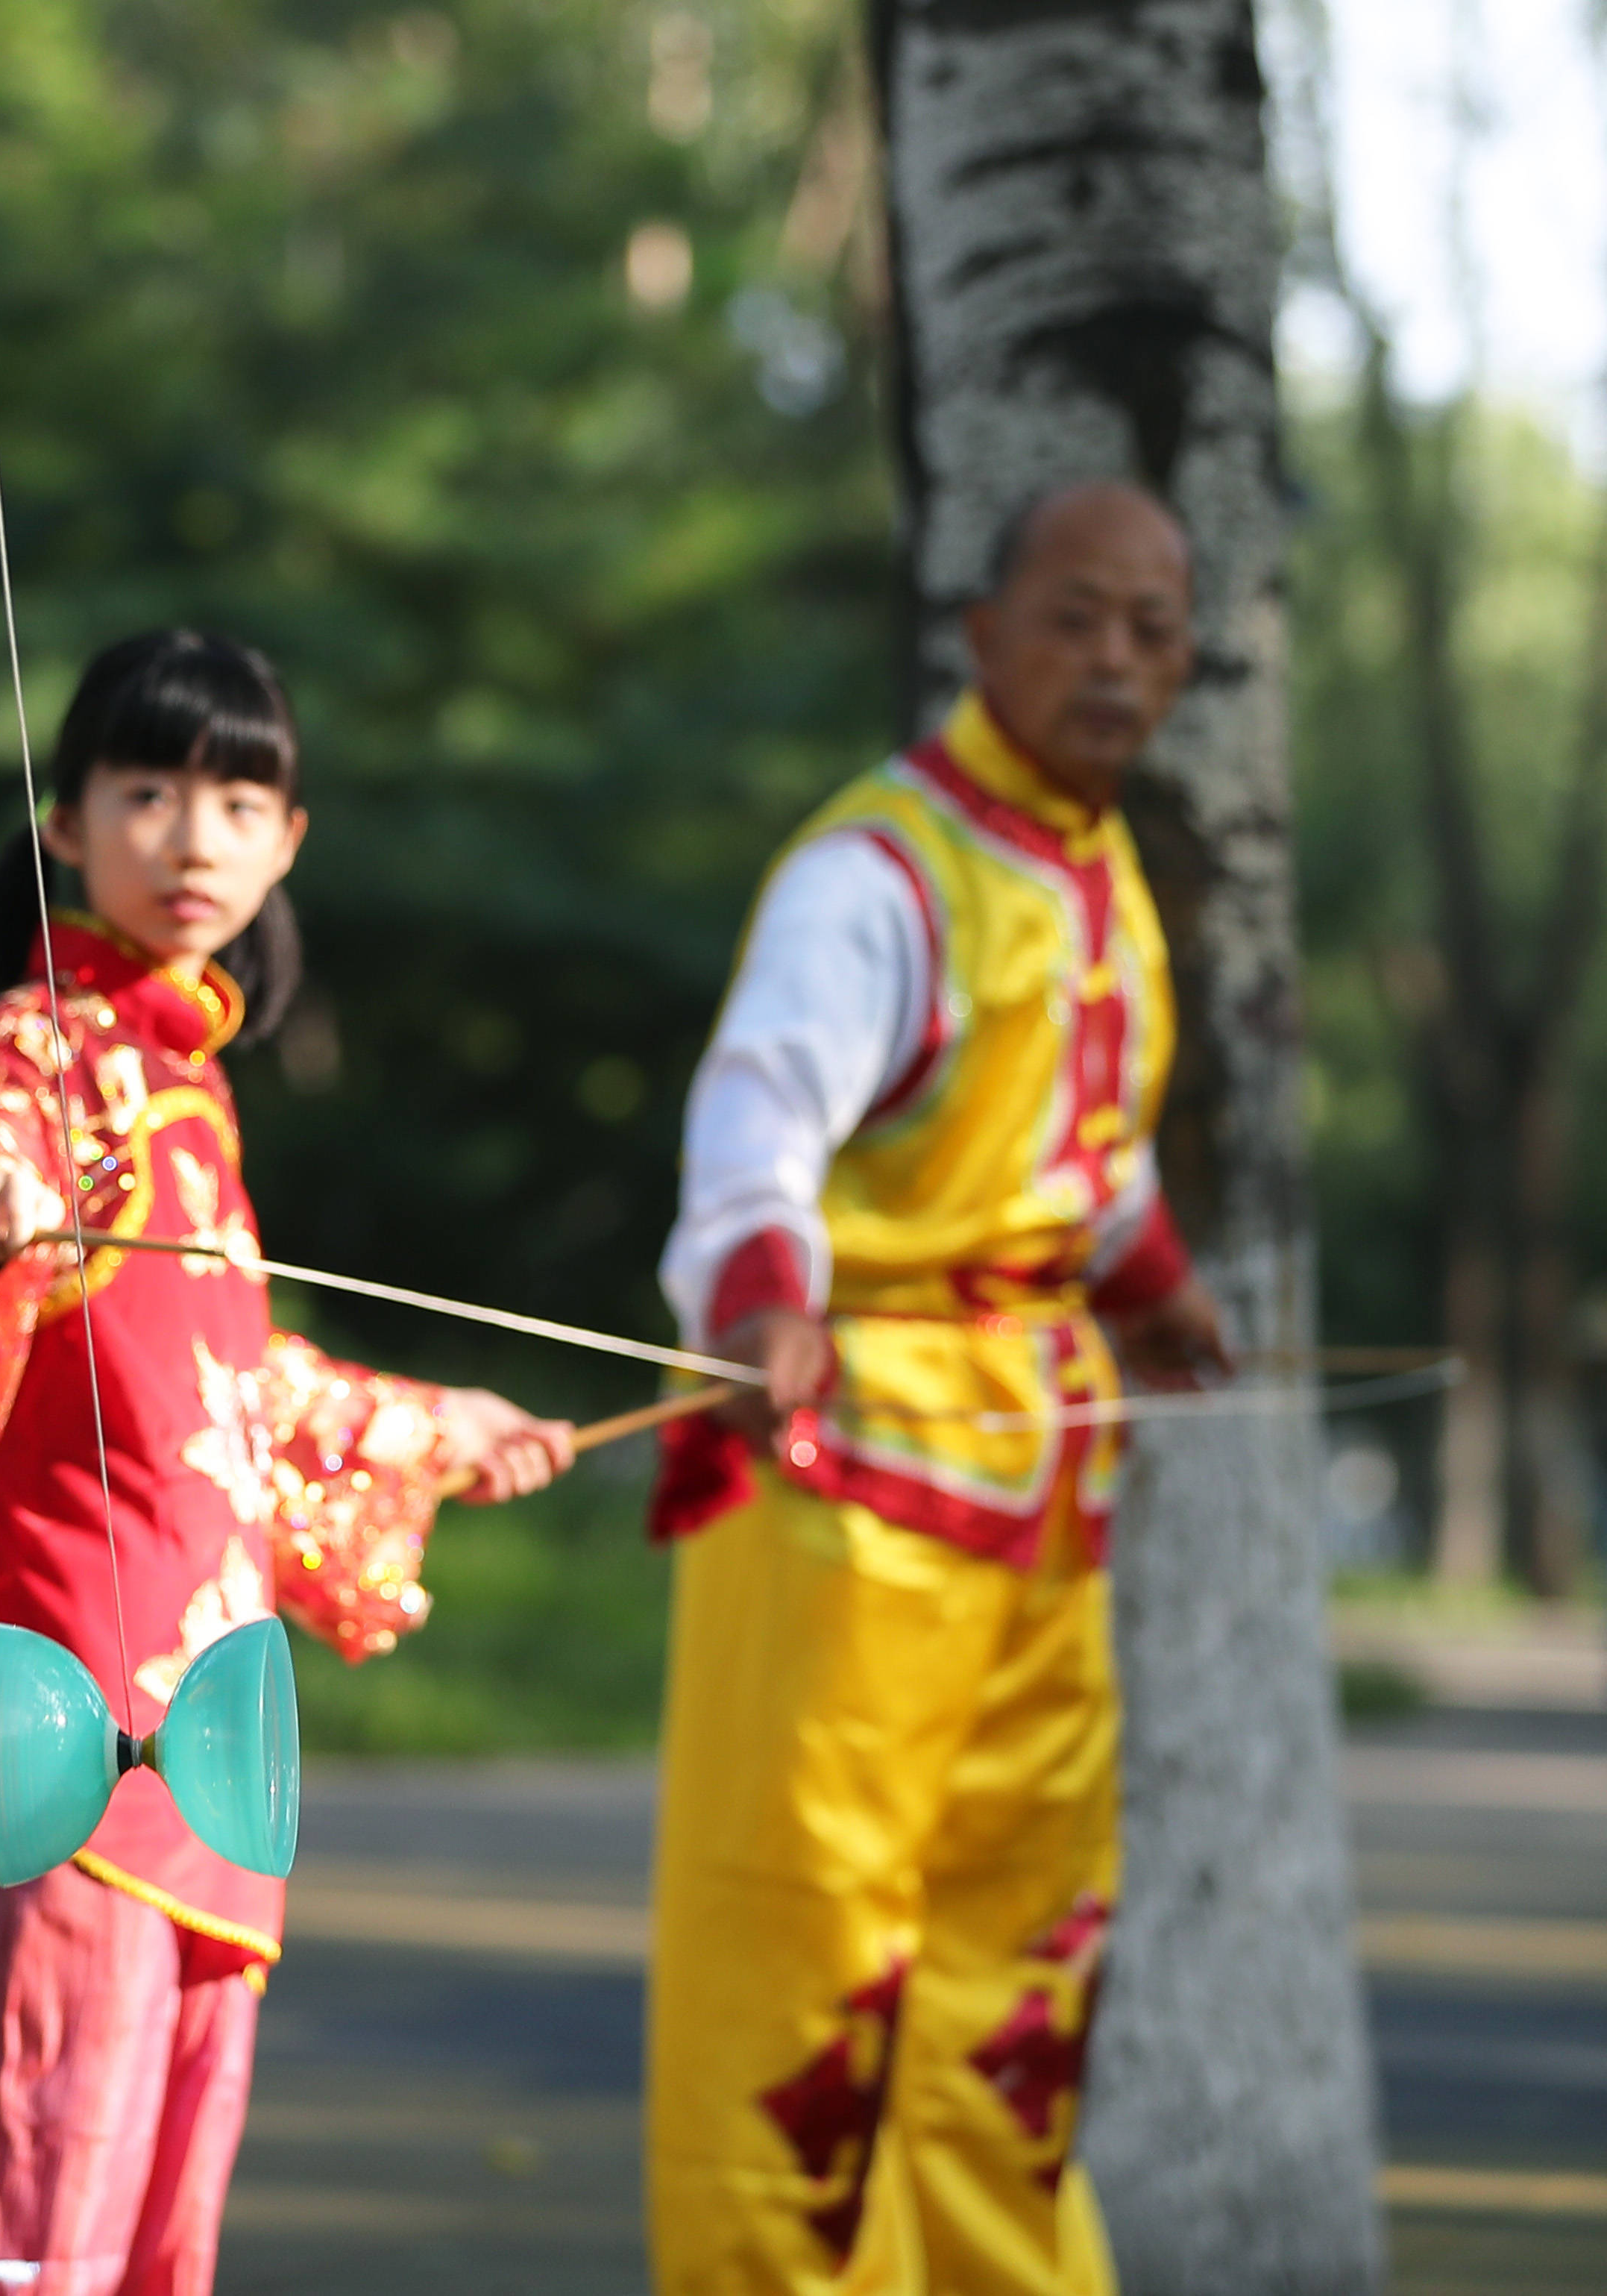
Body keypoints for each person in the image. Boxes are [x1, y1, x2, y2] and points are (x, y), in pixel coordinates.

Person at [0, 630, 576, 2295]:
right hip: (74, 1691)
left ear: (287, 843)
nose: (191, 837)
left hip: (221, 1723)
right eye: (146, 791)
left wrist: (437, 1422)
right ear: (66, 825)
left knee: (171, 2194)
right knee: (41, 2173)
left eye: (236, 799)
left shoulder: (196, 1098)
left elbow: (224, 1385)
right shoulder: (50, 1038)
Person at [641, 480, 1230, 2295]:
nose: (1116, 659)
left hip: (1038, 1491)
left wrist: (1150, 1288)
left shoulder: (1097, 872)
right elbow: (760, 1118)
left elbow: (1081, 1147)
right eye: (1076, 617)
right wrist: (760, 1300)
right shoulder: (878, 869)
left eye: (1151, 626)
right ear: (980, 636)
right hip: (847, 1487)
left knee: (1017, 1975)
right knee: (808, 1974)